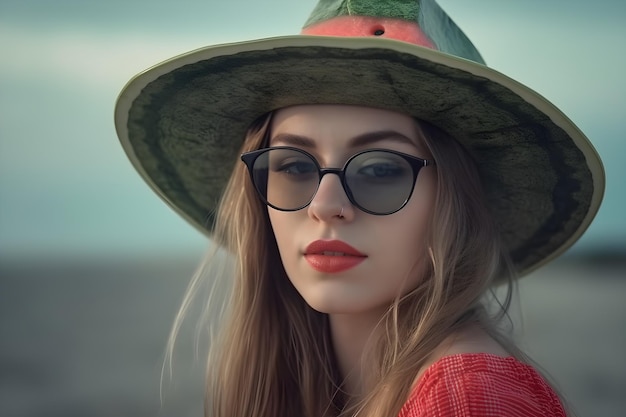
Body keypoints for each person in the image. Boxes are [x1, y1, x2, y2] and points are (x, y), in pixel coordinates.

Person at [114, 0, 604, 416]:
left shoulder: (466, 399)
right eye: (293, 167)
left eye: (380, 170)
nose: (327, 206)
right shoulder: (340, 389)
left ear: (457, 201)